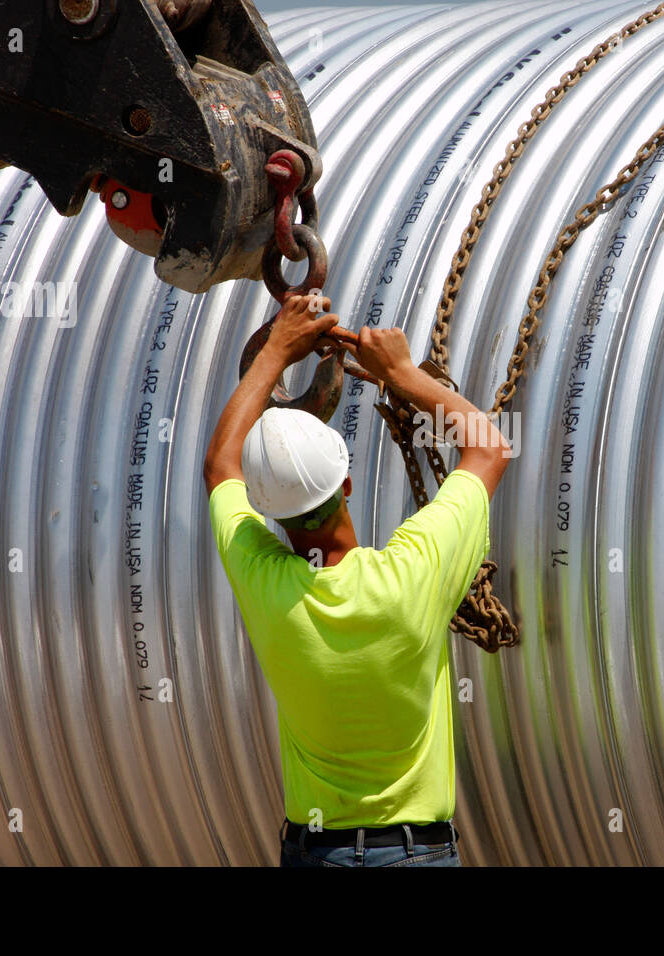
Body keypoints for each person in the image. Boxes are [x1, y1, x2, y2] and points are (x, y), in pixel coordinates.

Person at [202, 291, 512, 867]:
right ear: (346, 485)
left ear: (271, 514)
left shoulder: (264, 584)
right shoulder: (415, 572)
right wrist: (400, 373)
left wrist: (276, 350)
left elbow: (220, 463)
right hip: (416, 853)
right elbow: (489, 449)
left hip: (315, 852)